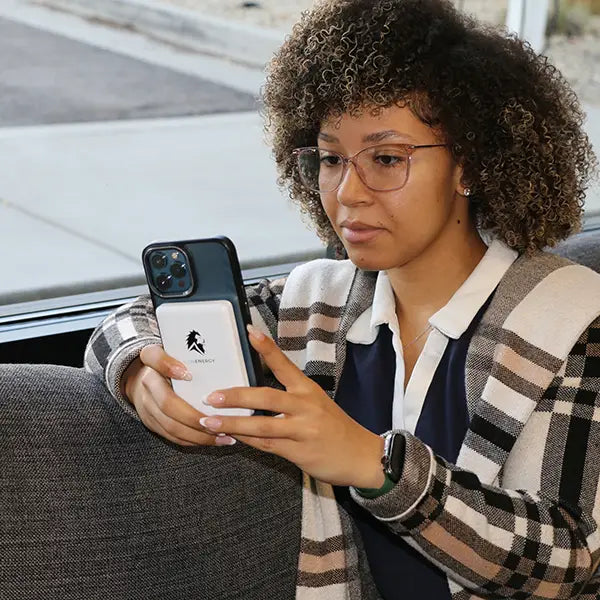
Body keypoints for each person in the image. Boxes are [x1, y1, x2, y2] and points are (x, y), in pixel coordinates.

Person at [84, 0, 600, 598]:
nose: (347, 192)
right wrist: (138, 371)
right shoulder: (317, 305)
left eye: (386, 158)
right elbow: (128, 323)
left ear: (472, 164)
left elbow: (568, 559)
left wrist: (374, 467)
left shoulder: (571, 318)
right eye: (331, 159)